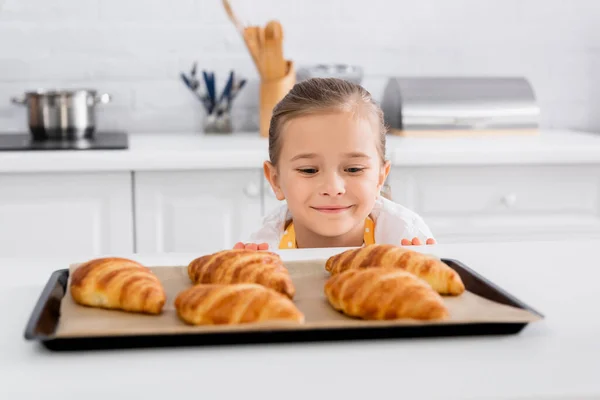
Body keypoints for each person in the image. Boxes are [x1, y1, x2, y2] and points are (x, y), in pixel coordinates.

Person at [234, 77, 435, 251]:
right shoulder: (263, 247)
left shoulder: (405, 237)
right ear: (276, 181)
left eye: (354, 169)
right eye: (309, 170)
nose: (333, 188)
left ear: (380, 177)